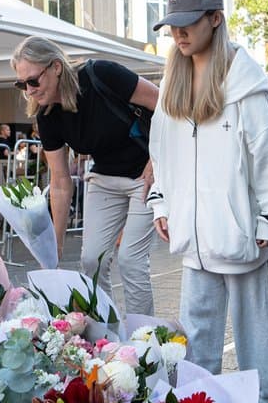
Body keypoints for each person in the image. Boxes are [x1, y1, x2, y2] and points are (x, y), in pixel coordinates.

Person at [146, 0, 268, 403]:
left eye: (188, 23)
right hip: (193, 231)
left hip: (241, 228)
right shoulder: (173, 82)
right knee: (197, 329)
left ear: (215, 19)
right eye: (173, 25)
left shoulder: (244, 81)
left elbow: (265, 152)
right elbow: (163, 151)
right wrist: (160, 203)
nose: (179, 34)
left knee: (258, 327)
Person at [11, 35, 159, 316]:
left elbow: (164, 103)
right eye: (22, 84)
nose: (29, 91)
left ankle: (145, 340)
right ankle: (107, 334)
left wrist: (158, 159)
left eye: (33, 81)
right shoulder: (47, 115)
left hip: (146, 173)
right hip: (104, 178)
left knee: (131, 260)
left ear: (55, 66)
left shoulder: (101, 74)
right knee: (92, 261)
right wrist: (55, 247)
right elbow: (60, 182)